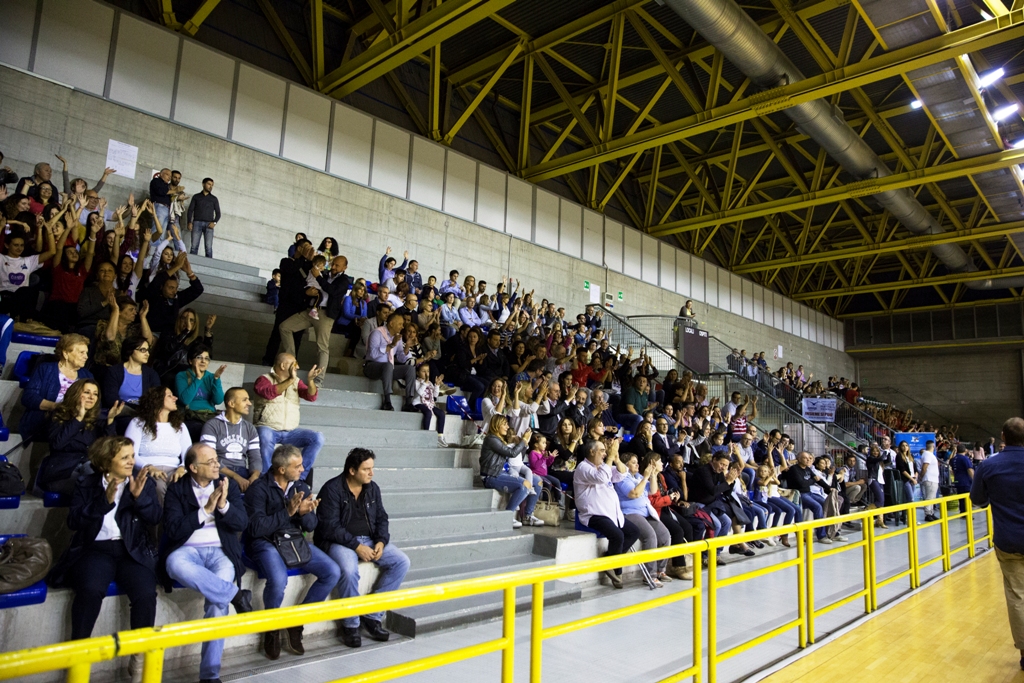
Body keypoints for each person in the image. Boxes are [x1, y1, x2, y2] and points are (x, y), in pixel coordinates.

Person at [48, 435, 159, 675]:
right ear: (107, 461)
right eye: (125, 457)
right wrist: (103, 502)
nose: (132, 461)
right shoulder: (86, 483)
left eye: (132, 455)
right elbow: (73, 522)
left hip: (131, 550)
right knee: (90, 590)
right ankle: (78, 660)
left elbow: (154, 518)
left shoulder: (142, 481)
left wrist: (140, 499)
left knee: (146, 593)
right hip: (95, 550)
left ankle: (139, 659)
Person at [161, 444, 252, 683]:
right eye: (209, 461)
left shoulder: (225, 486)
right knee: (174, 564)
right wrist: (205, 511)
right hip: (187, 551)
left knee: (216, 604)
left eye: (216, 460)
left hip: (221, 552)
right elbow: (172, 530)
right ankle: (235, 594)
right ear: (193, 467)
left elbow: (242, 522)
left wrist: (222, 506)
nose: (216, 465)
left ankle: (209, 676)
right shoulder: (177, 490)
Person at [244, 445, 341, 660]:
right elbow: (255, 529)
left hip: (293, 540)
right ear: (280, 469)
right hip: (265, 542)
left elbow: (311, 525)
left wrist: (303, 514)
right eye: (297, 466)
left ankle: (297, 622)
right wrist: (288, 512)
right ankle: (271, 629)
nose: (302, 469)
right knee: (278, 580)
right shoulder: (258, 489)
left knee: (332, 571)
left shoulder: (300, 486)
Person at [315, 448, 410, 648]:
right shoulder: (332, 489)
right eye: (366, 469)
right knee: (349, 571)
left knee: (401, 562)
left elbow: (382, 517)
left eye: (372, 468)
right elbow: (330, 527)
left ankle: (372, 615)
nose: (371, 473)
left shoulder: (372, 488)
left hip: (369, 539)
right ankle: (351, 625)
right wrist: (357, 546)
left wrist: (381, 541)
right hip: (340, 542)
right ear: (352, 470)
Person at [971, 417, 1024, 672]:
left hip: (1009, 540)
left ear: (1003, 436)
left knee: (1017, 596)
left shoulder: (989, 465)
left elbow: (978, 500)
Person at [574, 439, 640, 589]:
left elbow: (622, 473)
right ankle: (617, 572)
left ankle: (609, 558)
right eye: (602, 450)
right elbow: (602, 477)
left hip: (611, 513)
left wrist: (616, 458)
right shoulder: (583, 467)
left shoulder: (605, 466)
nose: (605, 454)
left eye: (605, 451)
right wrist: (609, 458)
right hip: (593, 514)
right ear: (591, 451)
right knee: (618, 535)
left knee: (634, 532)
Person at [38, 380, 122, 494]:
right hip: (62, 474)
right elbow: (57, 444)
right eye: (87, 392)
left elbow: (110, 450)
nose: (91, 397)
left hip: (89, 469)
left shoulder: (98, 421)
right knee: (95, 483)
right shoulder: (58, 416)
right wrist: (78, 418)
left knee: (102, 478)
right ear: (75, 394)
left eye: (95, 394)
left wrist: (110, 420)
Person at [279, 255, 350, 385]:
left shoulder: (344, 280)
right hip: (310, 310)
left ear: (344, 268)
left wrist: (318, 276)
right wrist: (307, 292)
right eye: (333, 264)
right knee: (284, 327)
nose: (333, 267)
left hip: (325, 315)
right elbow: (308, 283)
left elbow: (333, 291)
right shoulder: (323, 272)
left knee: (322, 347)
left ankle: (318, 379)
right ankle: (291, 363)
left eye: (337, 265)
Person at [252, 353, 323, 476]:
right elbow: (269, 393)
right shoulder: (263, 379)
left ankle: (299, 477)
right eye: (294, 364)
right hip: (268, 427)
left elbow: (311, 396)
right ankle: (268, 477)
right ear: (283, 365)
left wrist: (310, 381)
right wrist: (290, 380)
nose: (298, 367)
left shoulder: (296, 382)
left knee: (318, 438)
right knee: (265, 436)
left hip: (290, 432)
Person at [124, 386, 192, 502]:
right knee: (158, 487)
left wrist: (182, 468)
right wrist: (148, 467)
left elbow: (190, 453)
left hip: (174, 469)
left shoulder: (180, 426)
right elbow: (129, 452)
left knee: (181, 486)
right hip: (148, 469)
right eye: (169, 395)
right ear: (157, 400)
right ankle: (159, 519)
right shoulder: (138, 423)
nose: (175, 398)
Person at [20, 333, 93, 439]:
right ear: (66, 353)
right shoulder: (45, 369)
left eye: (86, 353)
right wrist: (55, 406)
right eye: (81, 352)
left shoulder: (87, 376)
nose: (86, 357)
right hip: (45, 420)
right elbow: (29, 397)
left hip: (75, 422)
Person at [615, 451, 672, 586]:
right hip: (630, 513)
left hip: (646, 512)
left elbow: (652, 491)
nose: (637, 465)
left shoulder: (639, 476)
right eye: (633, 463)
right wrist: (646, 477)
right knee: (650, 536)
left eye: (637, 462)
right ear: (625, 465)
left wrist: (653, 475)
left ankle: (660, 570)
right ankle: (649, 575)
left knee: (665, 535)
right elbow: (634, 494)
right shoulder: (622, 478)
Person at [480, 415, 541, 528]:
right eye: (505, 424)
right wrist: (522, 441)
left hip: (503, 472)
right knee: (525, 484)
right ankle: (507, 516)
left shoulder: (500, 440)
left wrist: (524, 442)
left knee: (537, 481)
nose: (507, 427)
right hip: (491, 475)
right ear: (496, 425)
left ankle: (527, 515)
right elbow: (512, 453)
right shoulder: (491, 439)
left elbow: (516, 456)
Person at [200, 387, 262, 492]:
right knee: (228, 486)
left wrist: (254, 477)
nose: (249, 403)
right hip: (220, 472)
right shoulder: (212, 425)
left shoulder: (250, 428)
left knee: (265, 487)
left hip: (243, 471)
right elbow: (208, 458)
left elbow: (255, 457)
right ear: (231, 404)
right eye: (244, 400)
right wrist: (236, 477)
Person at [363, 311, 417, 411]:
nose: (402, 327)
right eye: (400, 324)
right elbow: (373, 355)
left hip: (388, 368)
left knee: (410, 369)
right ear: (391, 323)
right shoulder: (377, 333)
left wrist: (407, 347)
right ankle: (387, 401)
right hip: (372, 367)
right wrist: (391, 345)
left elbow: (401, 358)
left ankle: (409, 402)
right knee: (387, 365)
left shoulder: (398, 337)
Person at [145, 258, 204, 337]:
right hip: (150, 334)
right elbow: (157, 281)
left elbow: (198, 289)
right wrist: (176, 267)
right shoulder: (153, 295)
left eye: (176, 288)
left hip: (169, 338)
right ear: (161, 287)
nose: (174, 291)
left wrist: (189, 272)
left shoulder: (177, 298)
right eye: (171, 288)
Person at [784, 451, 833, 543]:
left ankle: (832, 532)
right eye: (805, 458)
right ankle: (821, 536)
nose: (808, 460)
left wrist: (829, 488)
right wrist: (813, 480)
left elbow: (818, 480)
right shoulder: (794, 469)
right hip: (799, 494)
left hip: (809, 493)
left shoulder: (807, 469)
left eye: (809, 458)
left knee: (826, 503)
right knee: (817, 507)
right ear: (798, 459)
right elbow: (802, 484)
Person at [411, 363, 451, 447]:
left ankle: (440, 436)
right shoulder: (416, 382)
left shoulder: (430, 383)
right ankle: (426, 435)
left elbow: (435, 396)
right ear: (418, 373)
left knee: (441, 413)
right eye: (423, 371)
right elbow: (419, 393)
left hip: (429, 404)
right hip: (418, 403)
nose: (426, 374)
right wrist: (424, 383)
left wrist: (437, 385)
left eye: (428, 371)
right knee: (428, 412)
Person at [186, 177, 220, 258]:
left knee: (208, 248)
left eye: (212, 185)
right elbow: (190, 210)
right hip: (196, 223)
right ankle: (191, 266)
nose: (210, 186)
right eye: (209, 184)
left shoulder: (214, 199)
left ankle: (209, 268)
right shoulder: (196, 197)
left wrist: (214, 222)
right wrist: (189, 222)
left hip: (209, 224)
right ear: (203, 184)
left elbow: (218, 213)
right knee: (194, 246)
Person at [919, 440, 941, 522]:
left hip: (933, 479)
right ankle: (928, 514)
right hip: (929, 479)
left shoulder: (929, 454)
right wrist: (921, 476)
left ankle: (931, 513)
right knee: (929, 497)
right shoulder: (927, 454)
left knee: (932, 497)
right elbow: (925, 466)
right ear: (933, 446)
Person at [951, 444, 975, 514]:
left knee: (961, 498)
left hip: (957, 480)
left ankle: (962, 512)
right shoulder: (965, 458)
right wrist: (974, 479)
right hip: (966, 481)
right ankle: (967, 513)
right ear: (965, 450)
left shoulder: (953, 459)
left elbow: (952, 470)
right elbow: (969, 469)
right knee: (967, 498)